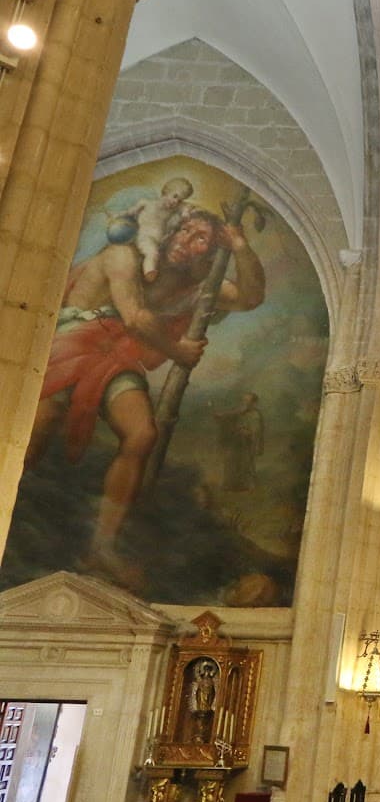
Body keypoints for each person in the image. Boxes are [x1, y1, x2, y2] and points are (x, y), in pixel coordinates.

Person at [26, 208, 265, 576]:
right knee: (40, 422)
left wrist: (241, 247)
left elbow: (250, 298)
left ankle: (102, 546)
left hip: (115, 361)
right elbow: (137, 317)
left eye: (200, 238)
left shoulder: (198, 288)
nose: (187, 240)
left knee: (142, 434)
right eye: (184, 229)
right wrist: (178, 352)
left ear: (210, 254)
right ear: (168, 230)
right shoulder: (124, 255)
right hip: (70, 344)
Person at [109, 176, 196, 283]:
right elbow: (129, 213)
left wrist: (186, 211)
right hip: (145, 237)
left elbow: (187, 206)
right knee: (152, 253)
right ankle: (149, 272)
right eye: (174, 196)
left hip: (162, 240)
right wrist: (117, 215)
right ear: (167, 191)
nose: (175, 201)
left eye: (179, 200)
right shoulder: (146, 203)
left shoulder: (173, 209)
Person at [213, 391, 264, 491]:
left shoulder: (255, 415)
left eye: (248, 401)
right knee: (231, 461)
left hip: (248, 444)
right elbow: (229, 416)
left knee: (247, 464)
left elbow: (255, 431)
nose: (245, 403)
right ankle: (232, 484)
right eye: (244, 401)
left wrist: (245, 432)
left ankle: (249, 485)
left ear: (254, 403)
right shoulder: (241, 411)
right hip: (238, 442)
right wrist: (220, 416)